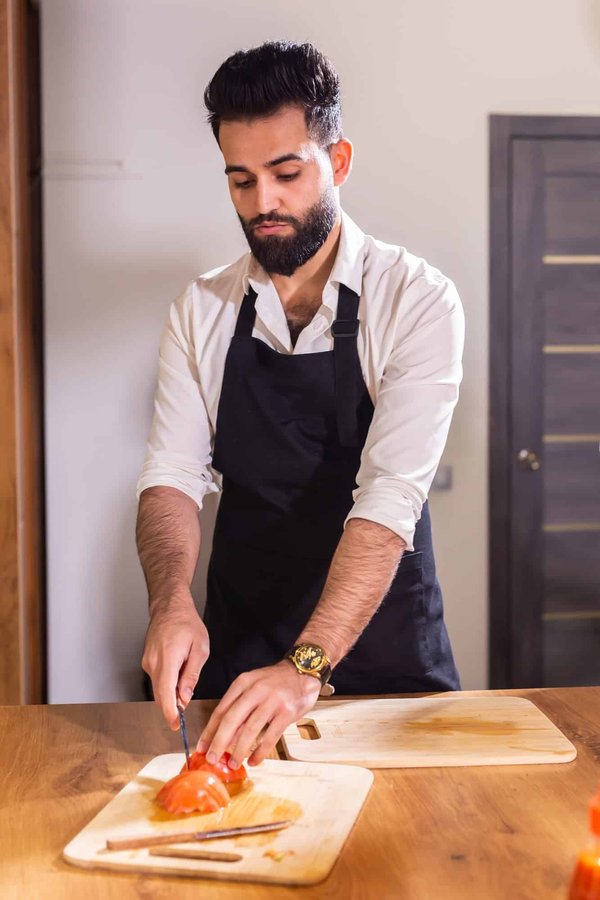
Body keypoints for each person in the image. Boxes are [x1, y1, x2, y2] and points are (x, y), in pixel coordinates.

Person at [136, 40, 464, 772]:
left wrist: (308, 665)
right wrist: (170, 606)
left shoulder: (415, 299)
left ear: (338, 162)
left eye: (287, 174)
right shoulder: (201, 309)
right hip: (243, 658)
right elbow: (172, 478)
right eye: (241, 181)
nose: (264, 205)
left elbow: (387, 504)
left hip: (387, 664)